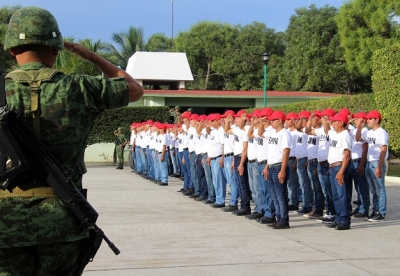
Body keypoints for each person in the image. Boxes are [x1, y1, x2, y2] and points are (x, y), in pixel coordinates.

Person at [0, 6, 143, 275]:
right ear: (56, 49)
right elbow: (135, 89)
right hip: (63, 219)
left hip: (5, 223)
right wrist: (91, 57)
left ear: (11, 50)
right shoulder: (79, 88)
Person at [356, 110, 389, 222]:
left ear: (376, 119)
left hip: (376, 162)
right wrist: (360, 127)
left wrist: (379, 166)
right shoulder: (369, 133)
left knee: (380, 189)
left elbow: (383, 150)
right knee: (374, 190)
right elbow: (358, 138)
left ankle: (381, 212)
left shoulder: (381, 132)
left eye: (370, 119)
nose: (367, 120)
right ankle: (375, 210)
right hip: (370, 163)